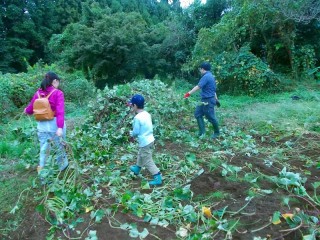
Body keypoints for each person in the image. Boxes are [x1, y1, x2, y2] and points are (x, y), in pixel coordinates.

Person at [24, 72, 68, 174]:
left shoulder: (38, 94)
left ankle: (43, 171)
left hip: (42, 126)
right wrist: (60, 127)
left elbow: (30, 109)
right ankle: (62, 167)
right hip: (54, 125)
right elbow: (60, 112)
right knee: (59, 146)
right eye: (58, 82)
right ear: (55, 81)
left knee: (44, 148)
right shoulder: (58, 93)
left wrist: (26, 110)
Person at [128, 94, 162, 186]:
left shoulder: (137, 118)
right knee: (141, 154)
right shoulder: (147, 114)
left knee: (147, 160)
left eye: (131, 105)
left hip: (144, 142)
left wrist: (131, 134)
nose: (131, 107)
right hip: (150, 139)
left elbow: (136, 132)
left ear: (135, 106)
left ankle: (157, 176)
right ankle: (137, 168)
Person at [184, 62, 220, 139]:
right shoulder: (211, 76)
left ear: (202, 69)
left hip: (208, 100)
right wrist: (216, 99)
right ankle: (202, 133)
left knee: (210, 116)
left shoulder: (206, 76)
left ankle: (217, 132)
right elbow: (213, 89)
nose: (200, 70)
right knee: (198, 113)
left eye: (200, 69)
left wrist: (188, 93)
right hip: (204, 100)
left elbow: (198, 87)